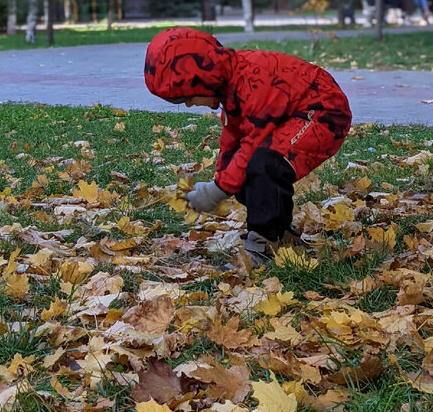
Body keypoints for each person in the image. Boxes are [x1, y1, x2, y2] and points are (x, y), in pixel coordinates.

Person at [144, 27, 352, 266]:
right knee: (242, 172)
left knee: (264, 163)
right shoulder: (230, 83)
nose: (190, 105)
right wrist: (219, 180)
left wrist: (218, 190)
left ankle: (263, 243)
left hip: (321, 113)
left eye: (188, 98)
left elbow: (253, 146)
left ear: (204, 79)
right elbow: (232, 137)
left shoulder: (252, 82)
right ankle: (281, 232)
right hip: (290, 113)